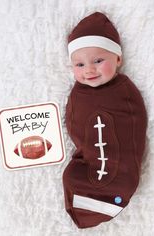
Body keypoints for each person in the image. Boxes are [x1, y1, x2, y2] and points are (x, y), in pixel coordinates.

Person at [62, 12, 147, 228]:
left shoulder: (124, 92)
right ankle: (90, 199)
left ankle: (108, 196)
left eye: (98, 61)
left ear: (118, 59)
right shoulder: (78, 93)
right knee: (72, 175)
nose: (89, 70)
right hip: (91, 158)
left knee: (110, 168)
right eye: (79, 65)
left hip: (120, 166)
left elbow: (133, 123)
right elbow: (75, 126)